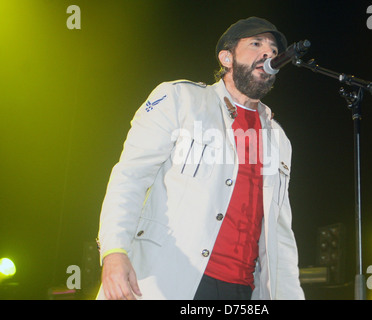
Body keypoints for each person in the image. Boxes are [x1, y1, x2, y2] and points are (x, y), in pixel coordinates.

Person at [96, 16, 305, 300]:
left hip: (243, 289)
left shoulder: (278, 139)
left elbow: (280, 232)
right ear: (227, 57)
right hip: (172, 278)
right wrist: (114, 251)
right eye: (256, 44)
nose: (267, 53)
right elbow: (130, 176)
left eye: (272, 49)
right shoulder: (180, 99)